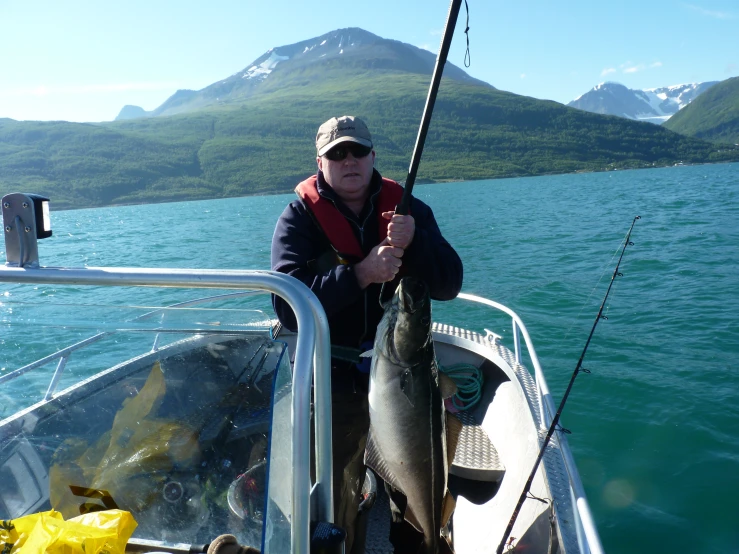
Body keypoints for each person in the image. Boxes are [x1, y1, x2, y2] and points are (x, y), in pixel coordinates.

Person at [271, 115, 463, 552]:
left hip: (407, 375)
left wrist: (419, 241)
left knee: (416, 478)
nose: (349, 160)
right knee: (336, 488)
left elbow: (449, 283)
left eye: (358, 150)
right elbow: (285, 306)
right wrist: (359, 275)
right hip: (333, 372)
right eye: (337, 153)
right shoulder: (299, 218)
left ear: (373, 156)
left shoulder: (409, 209)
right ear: (320, 162)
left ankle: (425, 540)